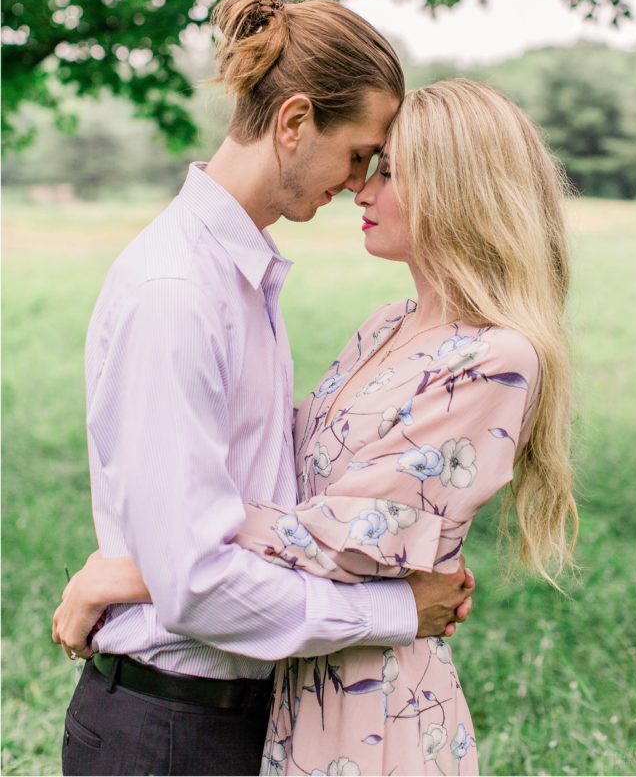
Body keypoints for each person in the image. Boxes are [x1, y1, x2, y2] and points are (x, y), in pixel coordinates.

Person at [56, 77, 578, 776]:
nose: (360, 190)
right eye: (367, 163)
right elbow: (291, 481)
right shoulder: (385, 327)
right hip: (300, 682)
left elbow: (345, 539)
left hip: (372, 707)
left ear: (459, 190)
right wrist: (167, 554)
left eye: (388, 171)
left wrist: (141, 568)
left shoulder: (493, 359)